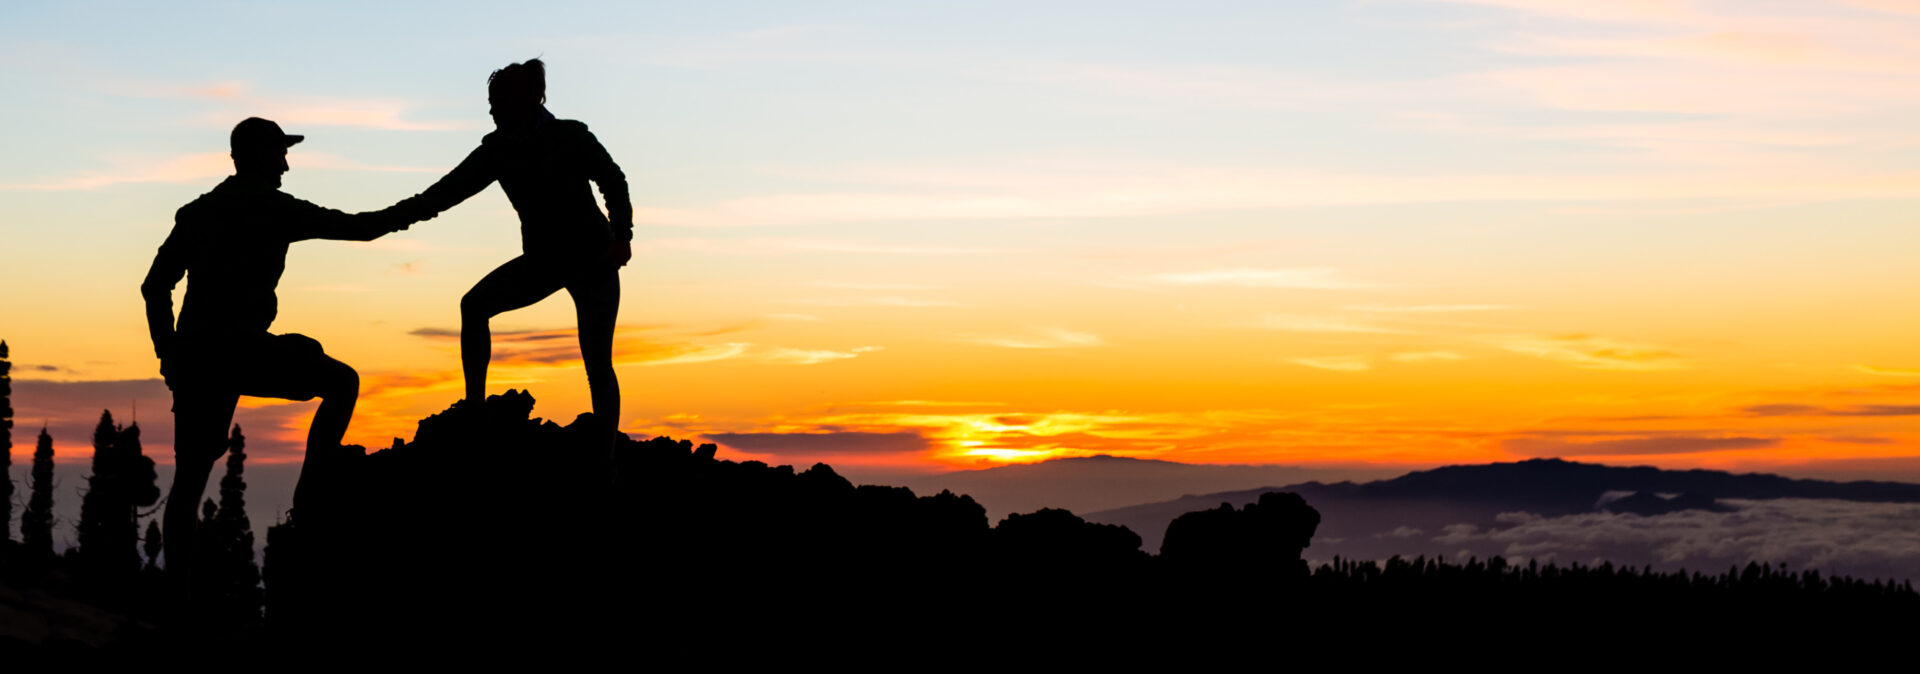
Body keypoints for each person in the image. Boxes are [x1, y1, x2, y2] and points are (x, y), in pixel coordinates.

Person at [141, 117, 425, 600]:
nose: (287, 165)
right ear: (257, 156)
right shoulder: (274, 208)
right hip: (237, 351)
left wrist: (170, 354)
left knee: (188, 484)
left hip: (198, 356)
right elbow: (362, 229)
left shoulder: (197, 212)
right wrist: (425, 207)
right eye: (280, 154)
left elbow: (154, 288)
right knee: (341, 382)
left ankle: (176, 607)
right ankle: (308, 499)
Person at [392, 58, 631, 439]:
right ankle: (475, 411)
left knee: (598, 362)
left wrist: (622, 238)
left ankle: (606, 458)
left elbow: (613, 181)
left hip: (593, 258)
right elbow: (447, 192)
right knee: (474, 306)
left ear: (528, 99)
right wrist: (394, 217)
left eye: (497, 101)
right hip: (544, 260)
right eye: (491, 102)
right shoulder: (497, 150)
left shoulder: (571, 136)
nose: (490, 110)